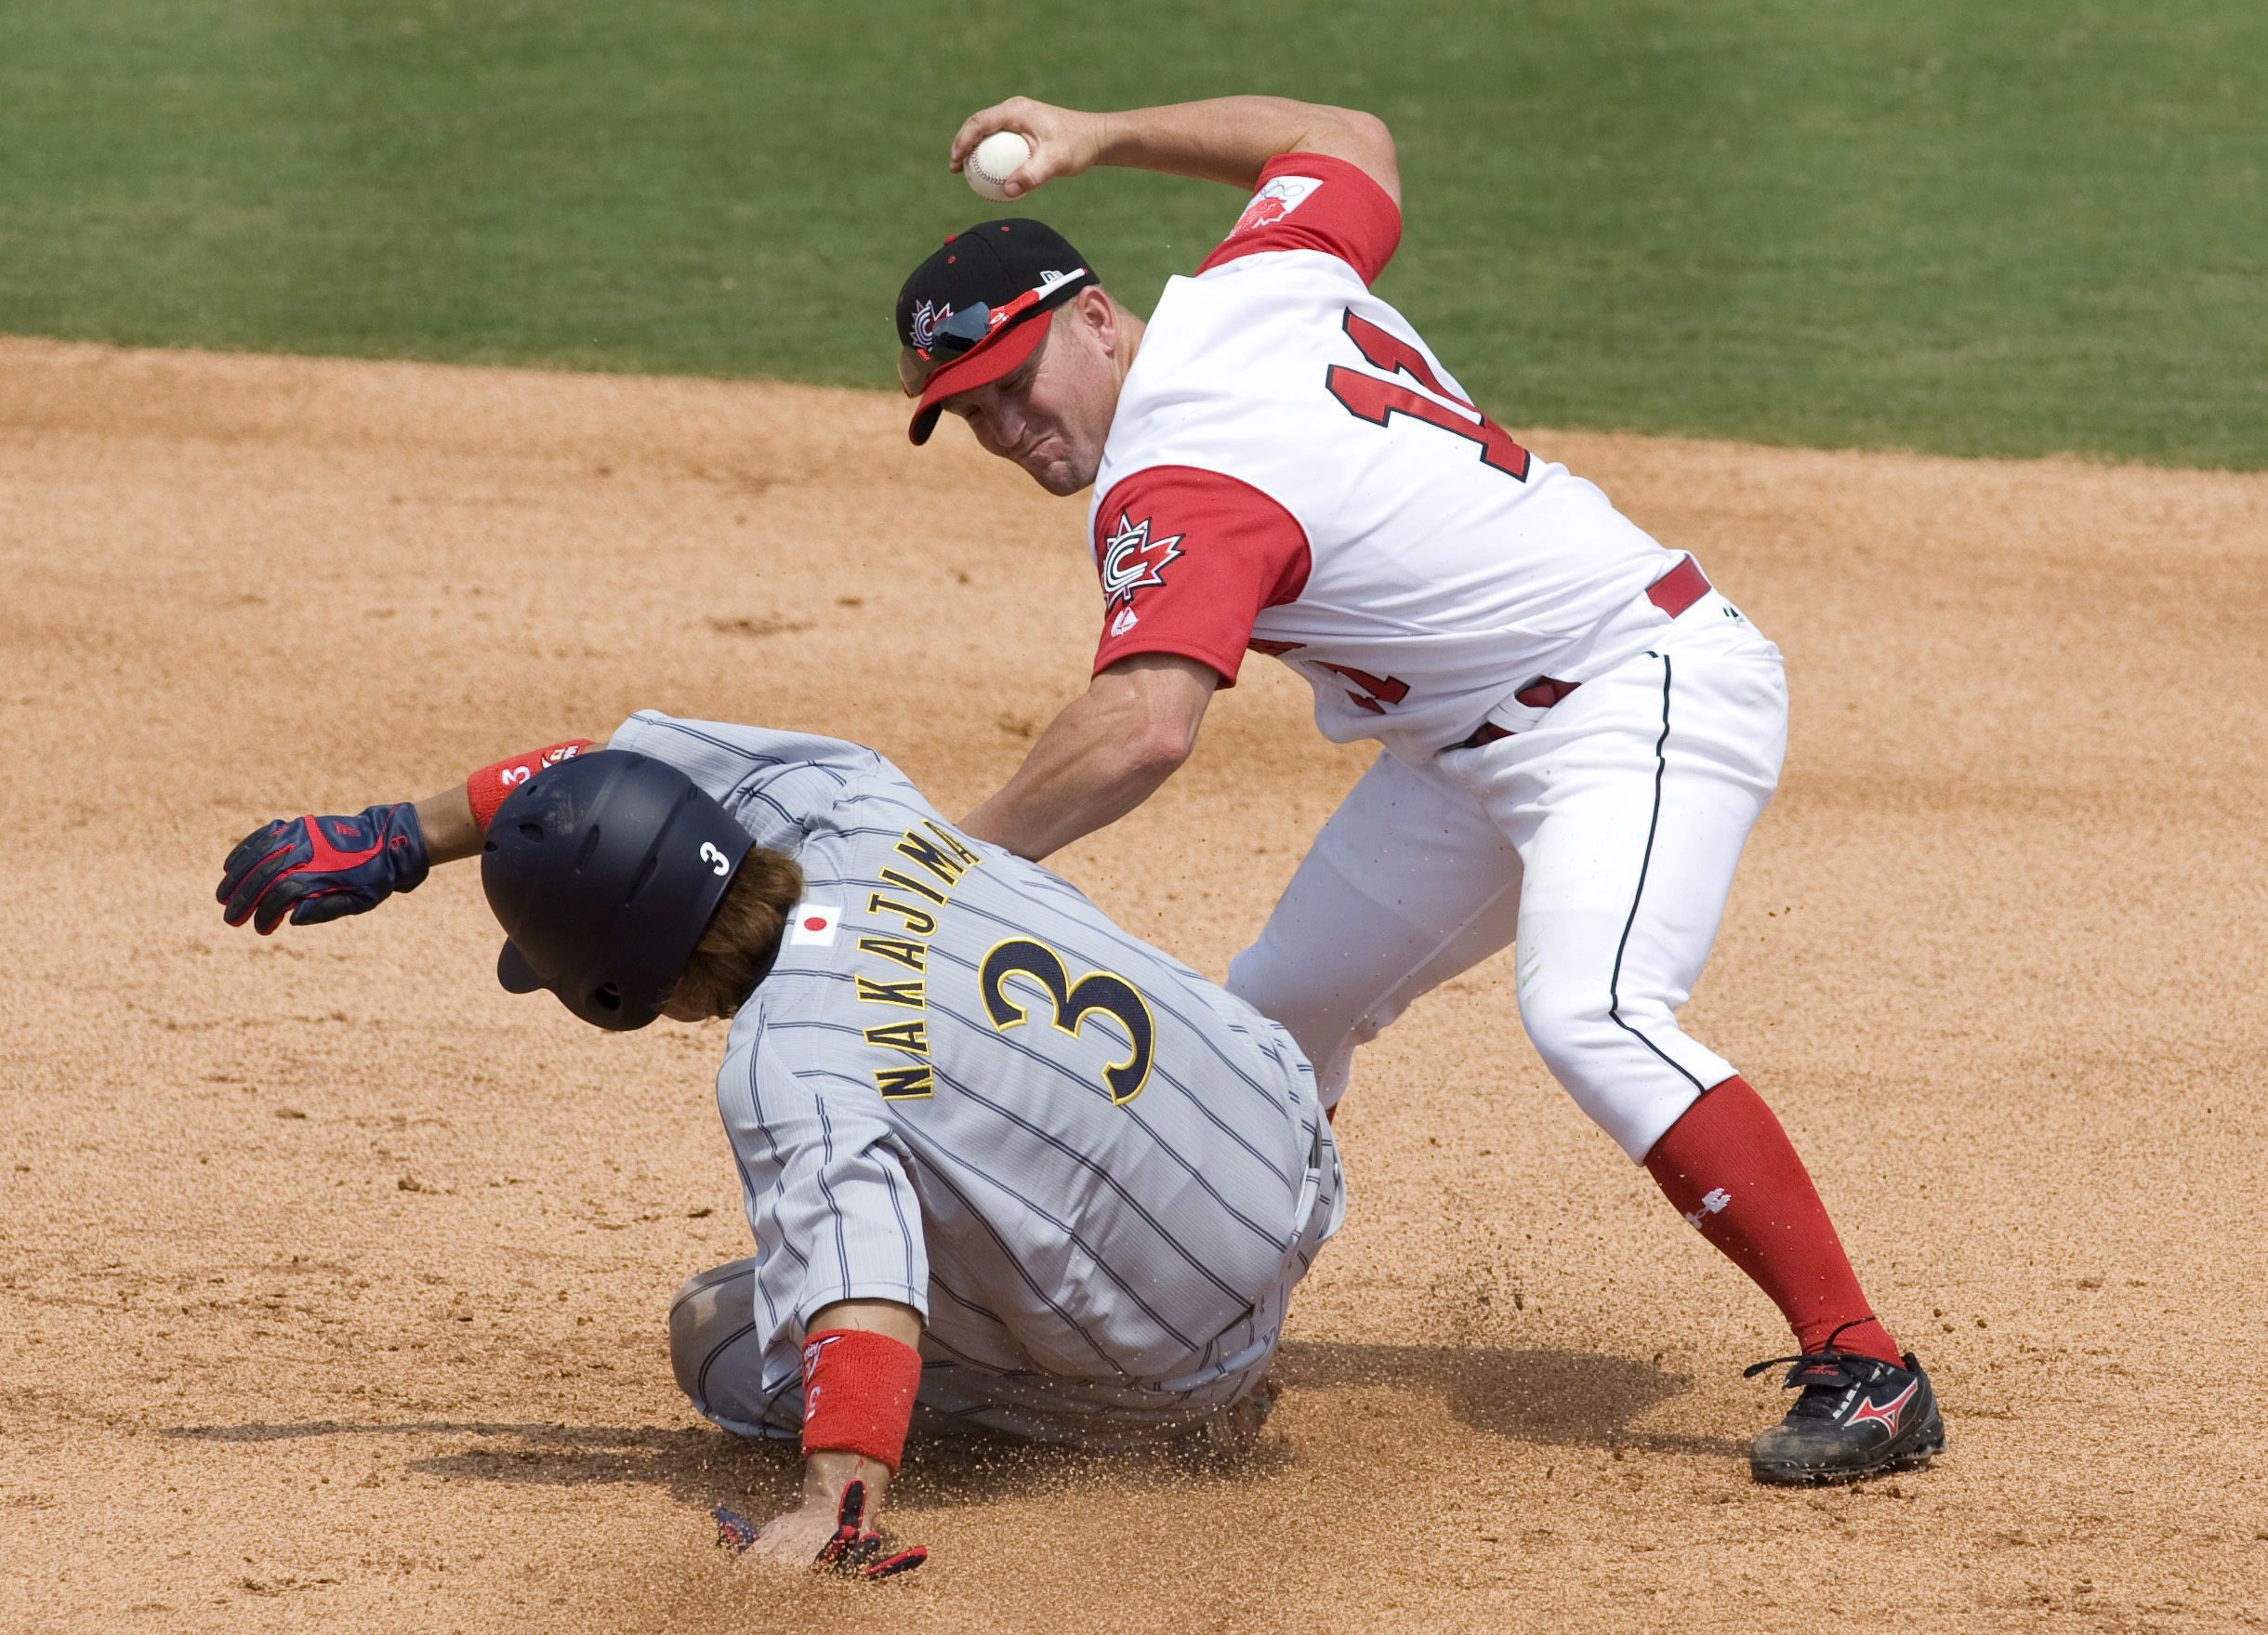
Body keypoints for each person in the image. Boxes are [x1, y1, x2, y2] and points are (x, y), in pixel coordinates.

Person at [892, 93, 1941, 1483]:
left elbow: (1144, 726)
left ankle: (1868, 1362)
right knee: (1273, 1024)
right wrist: (1100, 132)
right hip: (1464, 753)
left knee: (1594, 1005)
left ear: (1096, 320)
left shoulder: (1178, 480)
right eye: (972, 413)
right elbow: (1346, 139)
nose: (1010, 426)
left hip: (1640, 688)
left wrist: (945, 860)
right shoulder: (1258, 281)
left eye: (1020, 381)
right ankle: (1197, 1349)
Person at [215, 715, 1343, 1573]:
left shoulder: (788, 1063)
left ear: (618, 984)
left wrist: (833, 1507)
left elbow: (866, 1282)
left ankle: (1197, 1400)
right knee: (968, 1126)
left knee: (717, 1329)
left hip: (1190, 1348)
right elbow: (608, 767)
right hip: (1292, 1147)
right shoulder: (849, 798)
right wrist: (406, 834)